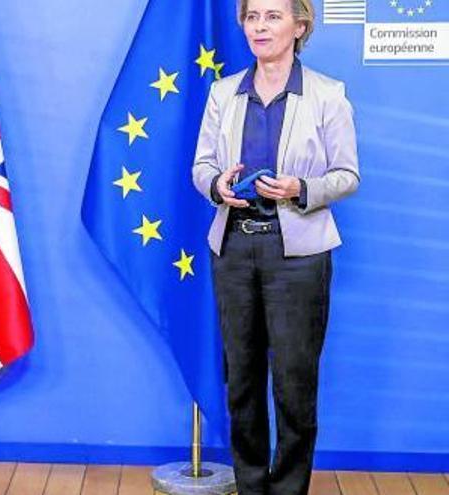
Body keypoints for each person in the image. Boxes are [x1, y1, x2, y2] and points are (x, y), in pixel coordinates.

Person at [192, 0, 360, 493]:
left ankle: (288, 489)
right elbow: (201, 165)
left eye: (272, 16)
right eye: (251, 17)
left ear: (299, 25)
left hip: (299, 258)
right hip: (233, 252)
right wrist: (215, 185)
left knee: (293, 383)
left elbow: (347, 175)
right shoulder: (224, 93)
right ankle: (250, 485)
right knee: (241, 382)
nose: (259, 27)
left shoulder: (328, 95)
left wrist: (301, 189)